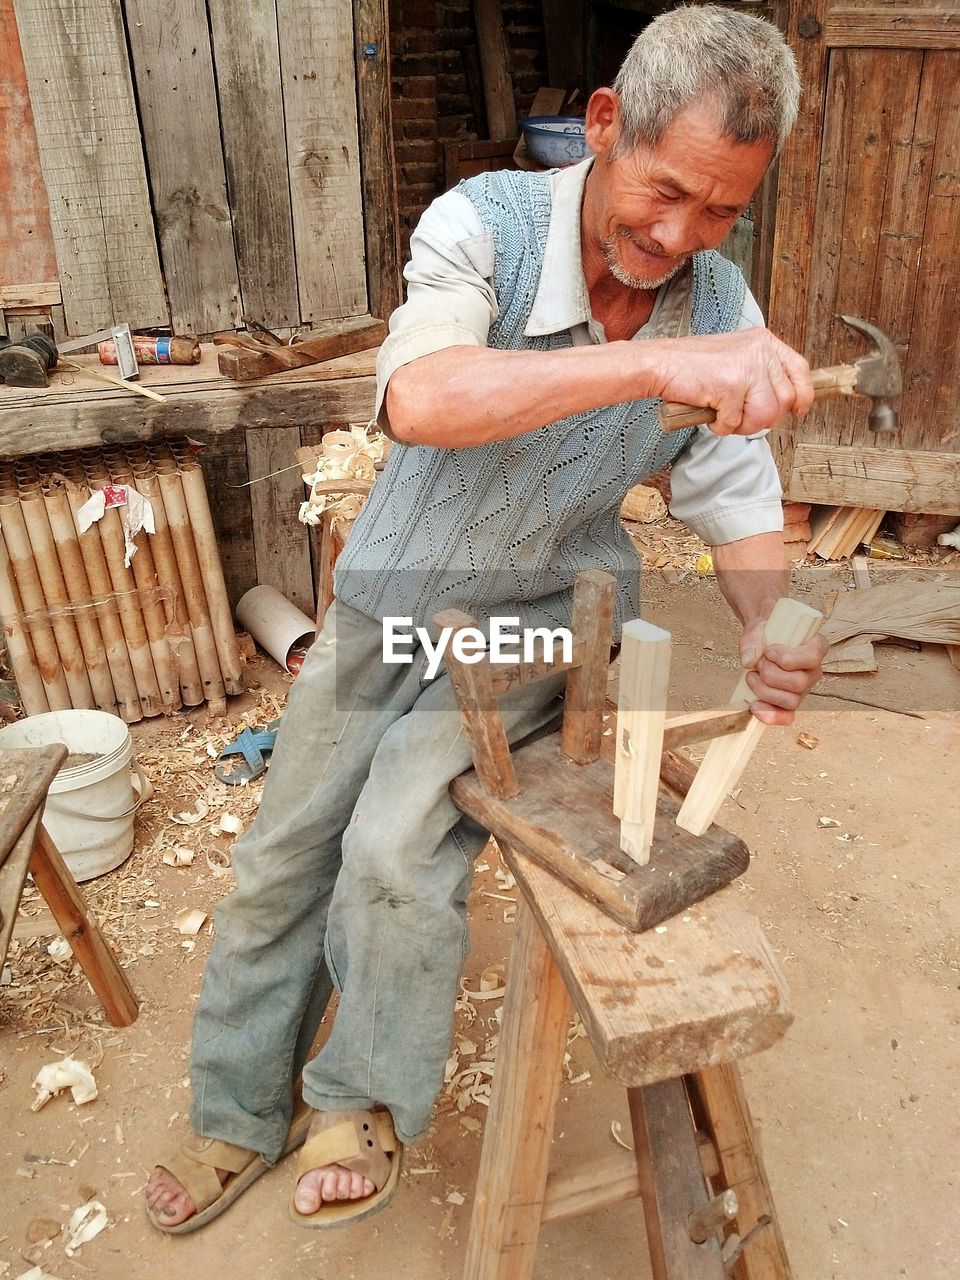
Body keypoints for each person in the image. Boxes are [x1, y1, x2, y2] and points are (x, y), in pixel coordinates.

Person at [146, 3, 827, 1232]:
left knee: (397, 838)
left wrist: (776, 616)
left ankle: (362, 1098)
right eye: (664, 190)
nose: (679, 235)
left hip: (543, 628)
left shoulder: (717, 297)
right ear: (605, 127)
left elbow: (736, 494)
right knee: (281, 856)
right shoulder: (483, 223)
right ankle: (237, 1108)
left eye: (722, 209)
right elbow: (423, 396)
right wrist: (652, 368)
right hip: (389, 603)